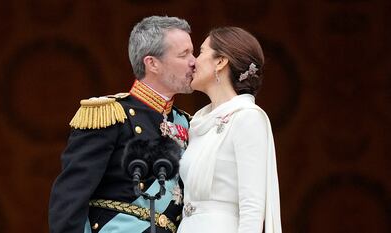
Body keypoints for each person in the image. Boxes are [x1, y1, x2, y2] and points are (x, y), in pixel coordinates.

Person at [49, 15, 195, 233]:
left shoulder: (188, 122)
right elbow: (70, 196)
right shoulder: (111, 114)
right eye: (184, 55)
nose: (194, 61)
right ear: (152, 63)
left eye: (192, 52)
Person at [177, 27, 282, 233]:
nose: (193, 61)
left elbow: (252, 207)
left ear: (220, 61)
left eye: (201, 52)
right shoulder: (198, 123)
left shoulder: (247, 117)